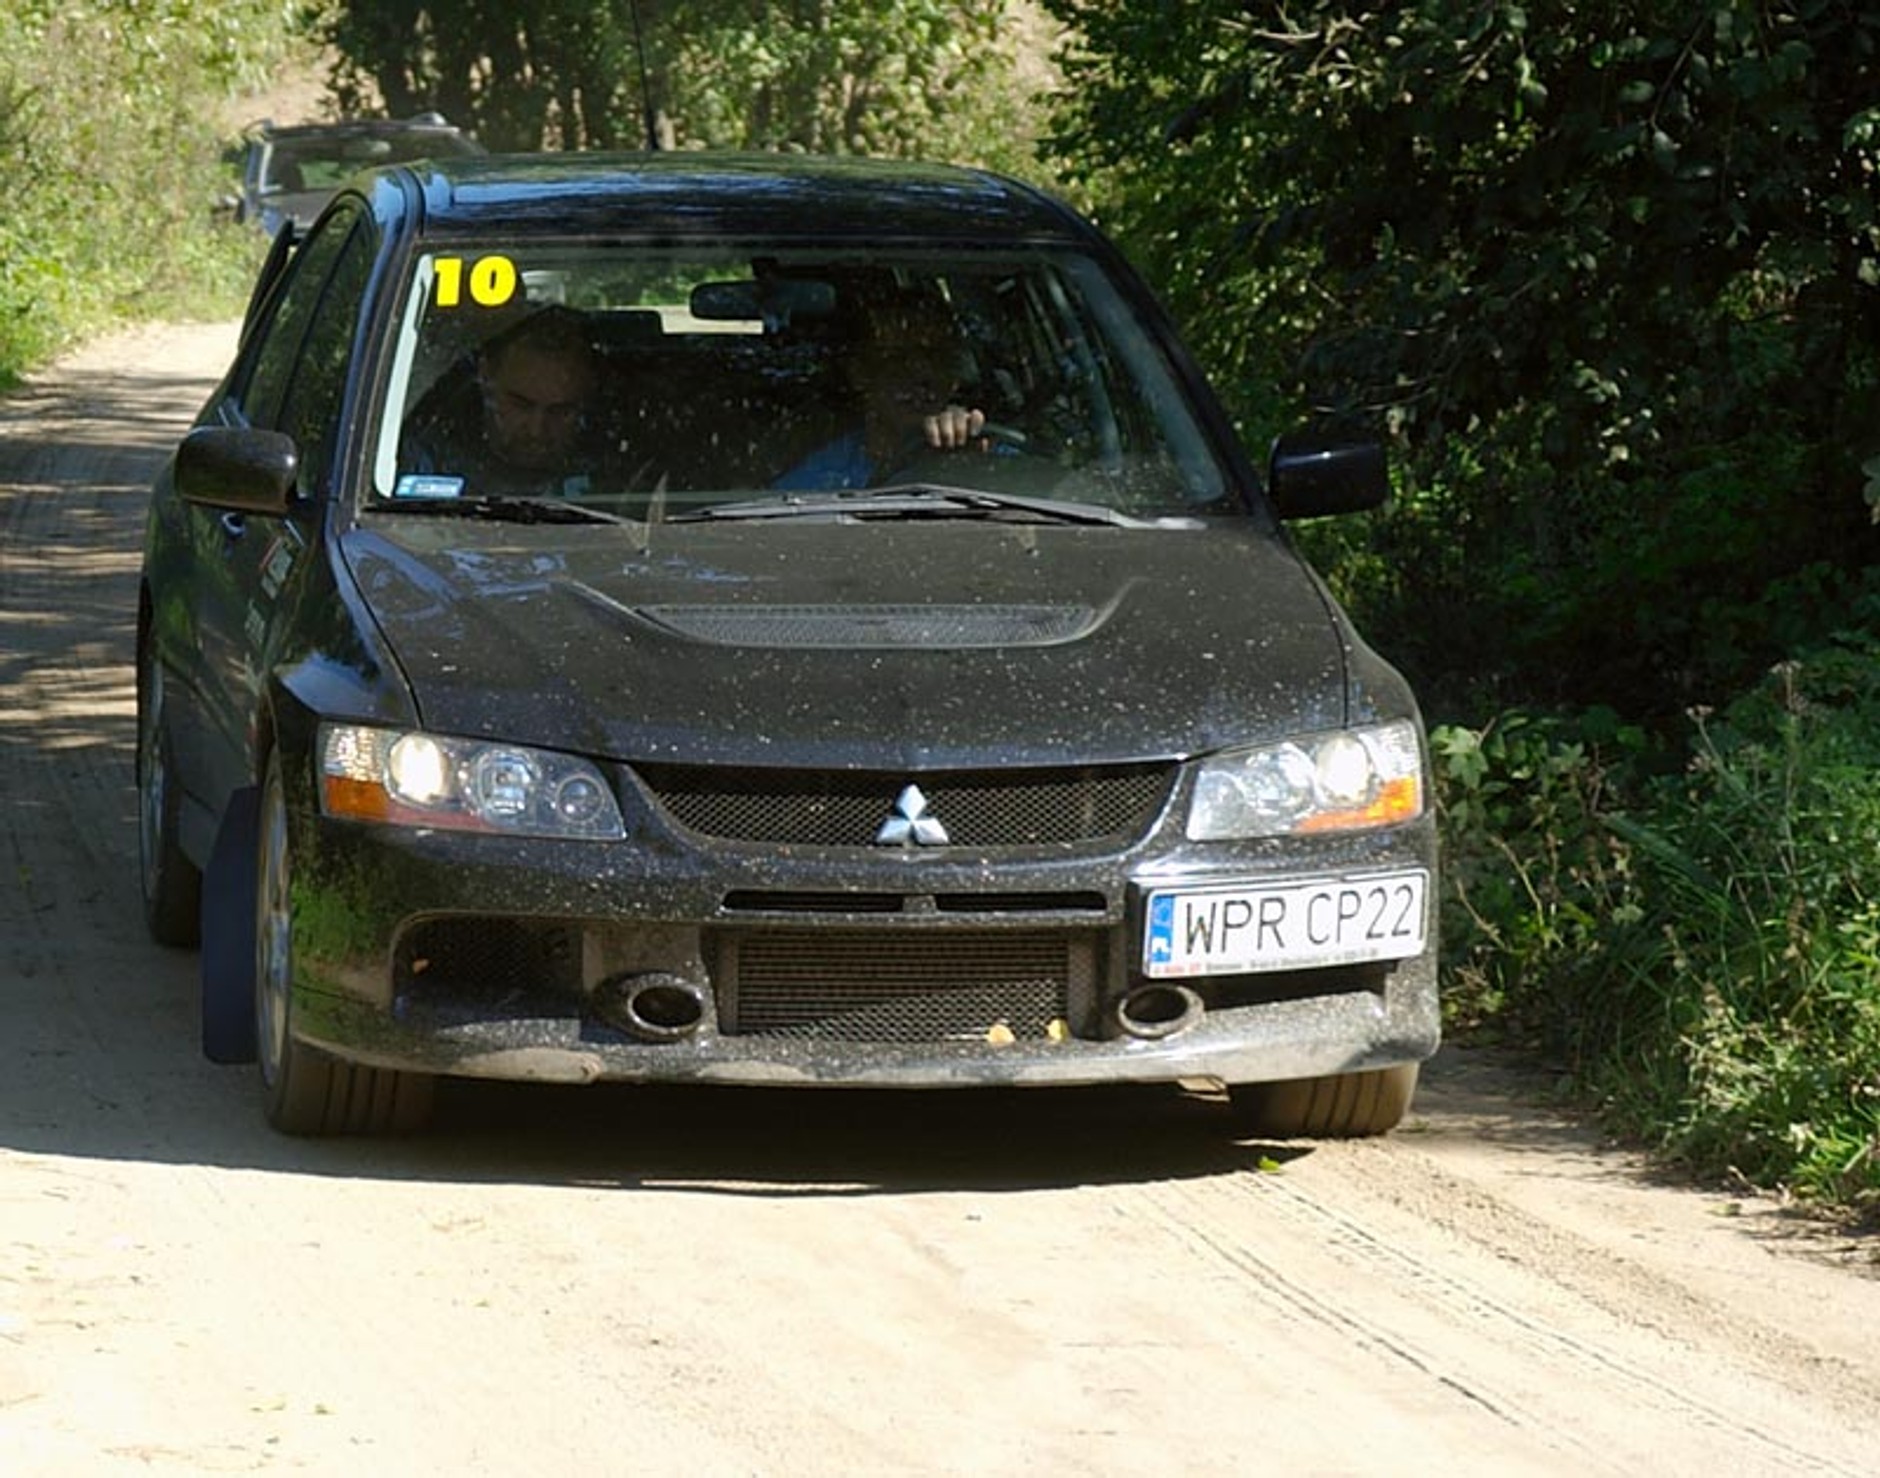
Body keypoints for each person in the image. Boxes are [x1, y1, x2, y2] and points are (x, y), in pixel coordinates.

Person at [774, 290, 996, 491]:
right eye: (898, 359)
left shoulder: (986, 450)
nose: (922, 373)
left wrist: (972, 461)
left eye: (936, 357)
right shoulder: (827, 473)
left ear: (954, 377)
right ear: (860, 373)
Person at [400, 305, 611, 499]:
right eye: (520, 404)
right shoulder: (424, 453)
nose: (537, 430)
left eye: (561, 411)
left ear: (588, 391)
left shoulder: (617, 460)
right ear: (485, 375)